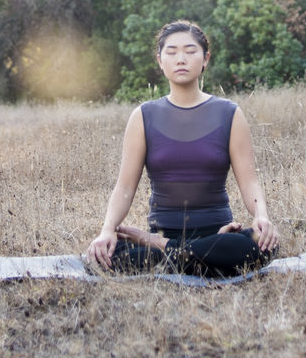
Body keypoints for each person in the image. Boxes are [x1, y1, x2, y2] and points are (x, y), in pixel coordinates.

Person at [86, 20, 279, 277]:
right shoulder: (143, 116)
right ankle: (186, 253)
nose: (181, 59)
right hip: (168, 230)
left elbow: (249, 182)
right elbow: (124, 187)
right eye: (172, 52)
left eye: (190, 52)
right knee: (107, 257)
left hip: (218, 235)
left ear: (205, 59)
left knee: (258, 246)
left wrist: (261, 217)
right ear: (159, 60)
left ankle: (166, 249)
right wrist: (107, 229)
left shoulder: (230, 113)